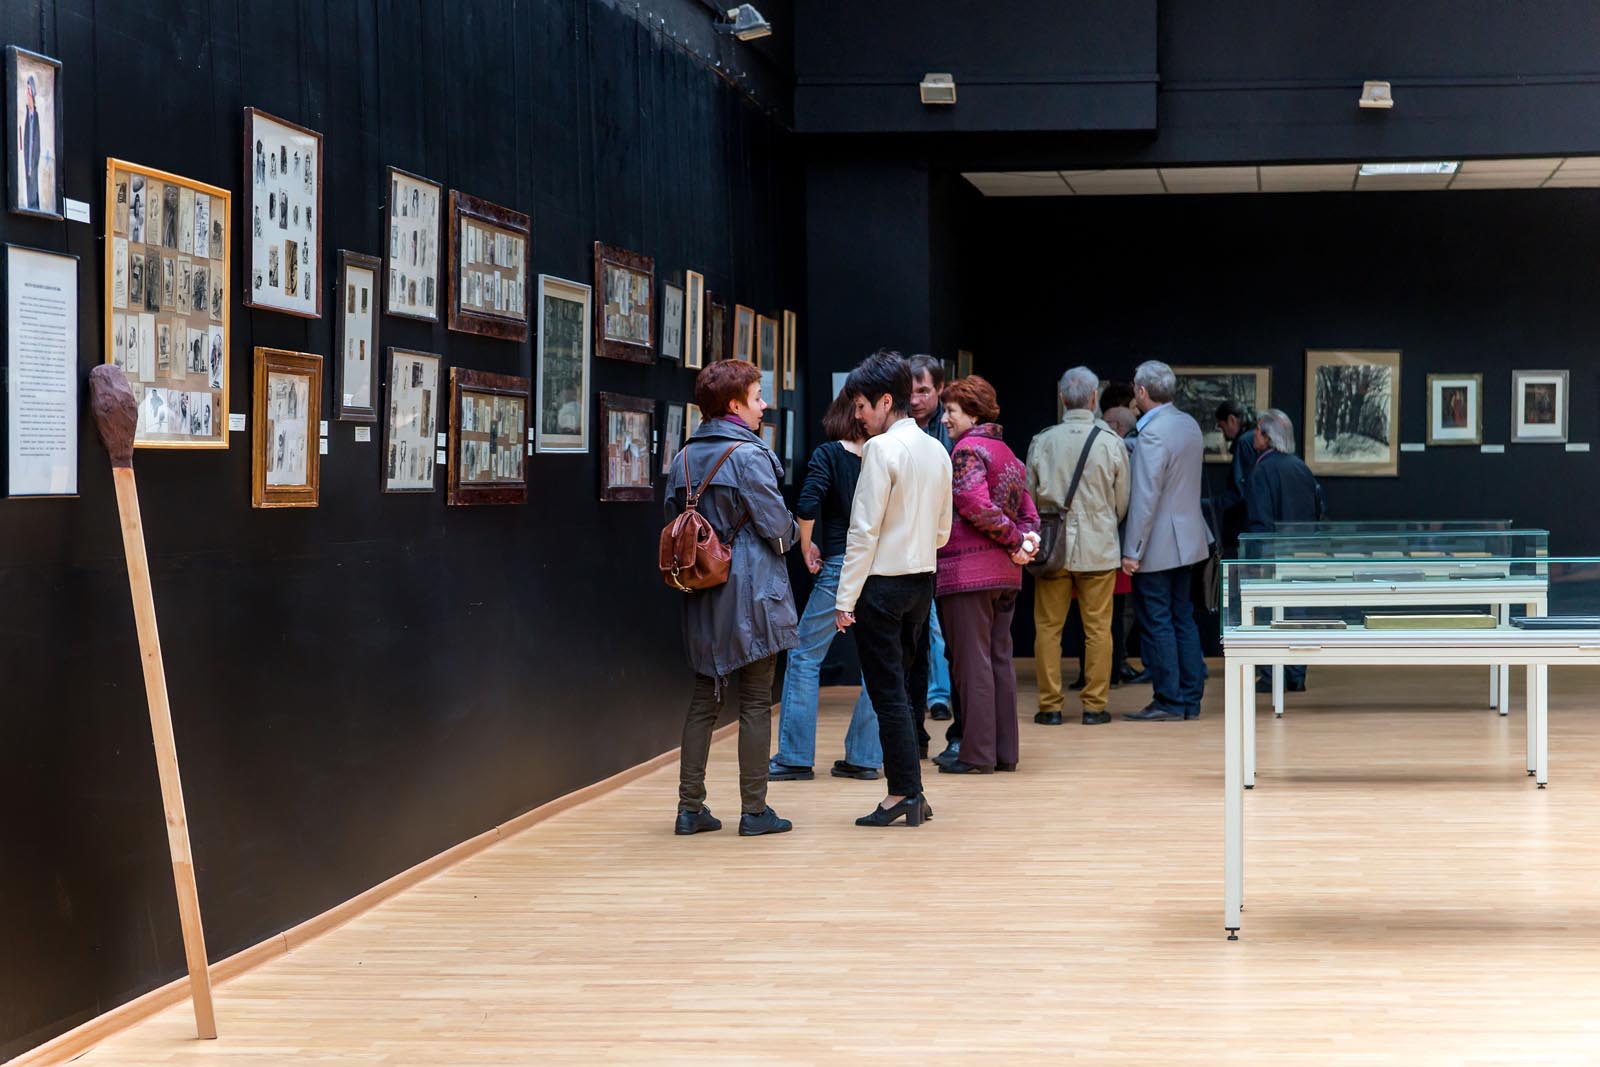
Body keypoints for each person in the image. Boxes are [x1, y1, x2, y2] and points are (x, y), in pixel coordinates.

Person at [664, 360, 798, 837]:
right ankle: (755, 811)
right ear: (735, 405)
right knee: (757, 700)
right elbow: (778, 530)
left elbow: (673, 522)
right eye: (758, 397)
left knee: (705, 697)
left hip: (702, 590)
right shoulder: (749, 456)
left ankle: (690, 808)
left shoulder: (683, 458)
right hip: (753, 592)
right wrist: (790, 535)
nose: (765, 405)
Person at [835, 351, 952, 827]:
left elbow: (862, 532)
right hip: (922, 582)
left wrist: (844, 600)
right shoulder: (936, 449)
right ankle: (913, 792)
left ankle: (903, 793)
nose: (857, 415)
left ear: (886, 401)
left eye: (862, 405)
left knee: (888, 696)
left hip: (881, 588)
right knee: (906, 690)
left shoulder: (881, 450)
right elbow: (943, 530)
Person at [769, 391, 884, 782]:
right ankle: (864, 758)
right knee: (878, 663)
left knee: (804, 656)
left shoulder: (829, 454)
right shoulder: (886, 454)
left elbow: (806, 503)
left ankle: (795, 758)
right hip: (882, 567)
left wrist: (806, 545)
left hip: (840, 565)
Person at [934, 377, 1039, 772]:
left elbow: (971, 502)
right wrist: (1024, 542)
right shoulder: (1007, 453)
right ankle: (1004, 753)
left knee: (972, 663)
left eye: (951, 411)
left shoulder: (966, 450)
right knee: (999, 660)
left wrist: (1015, 540)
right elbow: (1029, 512)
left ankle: (977, 755)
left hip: (968, 574)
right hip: (1007, 575)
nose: (945, 418)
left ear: (973, 414)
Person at [1027, 367, 1129, 726]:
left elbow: (1029, 496)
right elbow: (1122, 502)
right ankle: (1094, 706)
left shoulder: (1043, 441)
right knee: (1098, 628)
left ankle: (1050, 706)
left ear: (1062, 398)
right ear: (1093, 398)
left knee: (1047, 627)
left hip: (1051, 547)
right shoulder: (1110, 442)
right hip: (1099, 546)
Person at [1121, 360, 1211, 722]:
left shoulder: (1153, 433)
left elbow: (1146, 498)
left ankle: (1169, 700)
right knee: (1182, 617)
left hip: (1158, 544)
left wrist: (1132, 550)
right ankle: (1189, 697)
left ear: (1142, 391)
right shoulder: (1188, 424)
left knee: (1157, 621)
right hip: (1189, 539)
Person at [1246, 408, 1322, 693]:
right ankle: (1296, 673)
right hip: (1301, 553)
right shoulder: (1301, 467)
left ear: (1268, 437)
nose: (1253, 435)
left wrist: (1256, 560)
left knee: (1269, 614)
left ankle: (1270, 674)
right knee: (1298, 613)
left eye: (1257, 430)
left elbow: (1260, 519)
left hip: (1273, 554)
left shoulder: (1261, 470)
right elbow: (1317, 509)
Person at [906, 354, 956, 729]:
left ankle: (939, 695)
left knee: (937, 623)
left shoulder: (949, 428)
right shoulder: (899, 426)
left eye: (923, 391)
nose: (916, 399)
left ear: (939, 388)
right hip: (908, 534)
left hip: (943, 535)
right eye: (910, 392)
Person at [1214, 399, 1259, 557]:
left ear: (1232, 420)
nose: (1223, 433)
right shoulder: (1252, 439)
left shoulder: (1244, 442)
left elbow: (1240, 490)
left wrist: (1210, 505)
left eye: (1222, 426)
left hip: (1242, 521)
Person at [21, 75, 40, 211]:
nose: (27, 94)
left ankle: (34, 206)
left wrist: (34, 161)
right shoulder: (27, 115)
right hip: (27, 159)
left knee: (34, 184)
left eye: (29, 90)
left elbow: (37, 141)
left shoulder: (36, 116)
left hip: (34, 161)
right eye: (26, 90)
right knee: (29, 185)